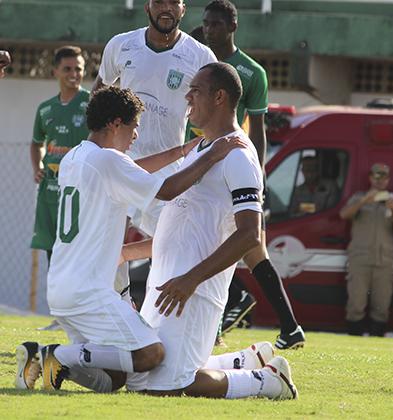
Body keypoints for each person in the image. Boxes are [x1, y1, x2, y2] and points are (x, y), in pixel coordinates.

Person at [14, 86, 245, 392]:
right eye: (134, 127)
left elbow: (131, 170)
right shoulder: (108, 161)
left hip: (60, 287)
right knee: (152, 354)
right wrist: (212, 155)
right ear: (115, 123)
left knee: (116, 379)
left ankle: (56, 365)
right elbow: (165, 190)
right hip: (89, 291)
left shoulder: (76, 157)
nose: (136, 136)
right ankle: (52, 355)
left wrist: (180, 152)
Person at [122, 63, 298, 399]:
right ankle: (243, 359)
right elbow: (181, 223)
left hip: (194, 292)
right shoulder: (202, 149)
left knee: (170, 387)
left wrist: (191, 280)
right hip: (167, 285)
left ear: (219, 97)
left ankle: (268, 382)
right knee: (140, 379)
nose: (187, 96)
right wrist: (127, 253)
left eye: (196, 90)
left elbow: (249, 235)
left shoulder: (239, 156)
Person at [92, 0, 217, 305]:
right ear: (147, 6)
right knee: (105, 241)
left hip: (169, 170)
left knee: (175, 244)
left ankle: (162, 314)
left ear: (183, 9)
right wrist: (94, 154)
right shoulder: (122, 45)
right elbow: (99, 96)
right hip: (123, 165)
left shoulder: (200, 56)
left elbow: (215, 110)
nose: (166, 8)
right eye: (159, 1)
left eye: (173, 2)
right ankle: (115, 307)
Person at [202, 0, 305, 349]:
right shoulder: (195, 58)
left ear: (232, 26)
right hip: (198, 163)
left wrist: (257, 178)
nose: (209, 30)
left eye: (216, 24)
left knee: (244, 246)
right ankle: (287, 327)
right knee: (229, 246)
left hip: (227, 167)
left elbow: (257, 129)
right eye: (206, 23)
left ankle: (239, 302)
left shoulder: (251, 72)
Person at [30, 46, 89, 264]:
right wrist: (37, 169)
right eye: (67, 69)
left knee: (76, 258)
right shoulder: (45, 109)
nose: (74, 74)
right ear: (55, 71)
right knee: (53, 261)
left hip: (79, 192)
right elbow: (36, 144)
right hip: (51, 193)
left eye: (78, 69)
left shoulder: (91, 104)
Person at [339, 163, 393, 337]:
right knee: (356, 304)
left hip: (383, 261)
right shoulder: (359, 197)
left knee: (381, 306)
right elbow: (344, 215)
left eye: (383, 178)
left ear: (387, 180)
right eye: (376, 178)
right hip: (360, 259)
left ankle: (377, 344)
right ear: (370, 178)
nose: (379, 182)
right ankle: (355, 343)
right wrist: (363, 202)